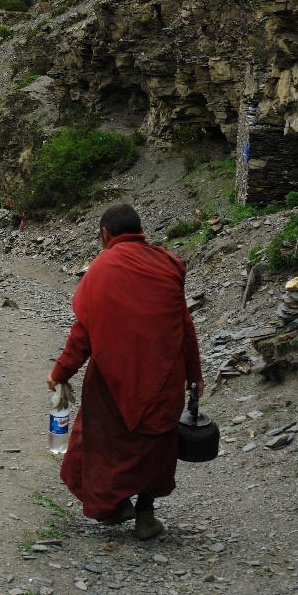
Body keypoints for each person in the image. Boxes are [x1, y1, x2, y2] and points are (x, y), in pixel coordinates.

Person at [47, 204, 203, 540]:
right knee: (155, 447)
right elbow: (184, 325)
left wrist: (61, 372)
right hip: (164, 376)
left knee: (101, 443)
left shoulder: (101, 268)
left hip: (112, 380)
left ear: (105, 234)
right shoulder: (169, 263)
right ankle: (145, 515)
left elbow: (83, 333)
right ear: (140, 230)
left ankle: (114, 507)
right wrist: (194, 374)